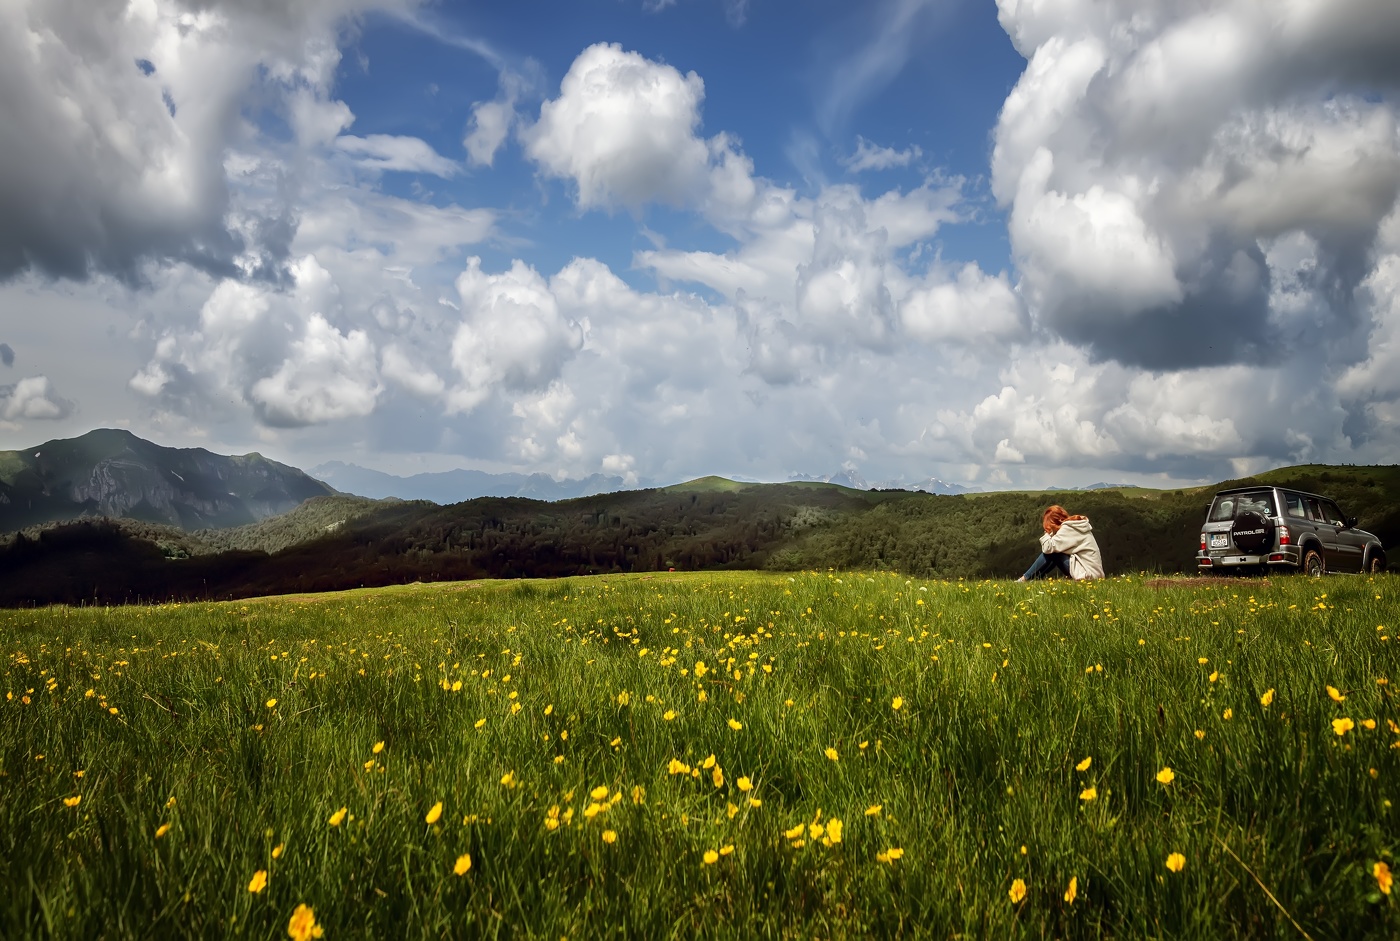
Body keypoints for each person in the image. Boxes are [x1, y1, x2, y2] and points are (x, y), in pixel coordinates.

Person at [1016, 505, 1104, 581]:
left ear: (1055, 523)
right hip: (1093, 573)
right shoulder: (1075, 526)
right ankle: (1033, 579)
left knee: (1053, 553)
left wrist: (1046, 535)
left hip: (1088, 575)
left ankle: (1024, 579)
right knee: (1055, 552)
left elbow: (1048, 548)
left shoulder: (1068, 529)